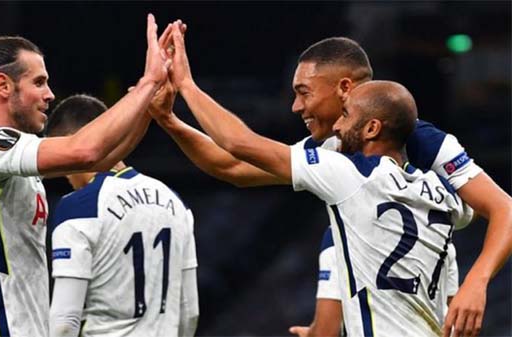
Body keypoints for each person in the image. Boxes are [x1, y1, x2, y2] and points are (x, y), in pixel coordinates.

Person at [152, 25, 512, 337]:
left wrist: (186, 85)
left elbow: (504, 208)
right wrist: (170, 121)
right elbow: (230, 167)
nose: (296, 106)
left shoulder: (401, 150)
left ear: (345, 89)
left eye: (303, 91)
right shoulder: (439, 194)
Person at [0, 14, 172, 336]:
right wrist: (147, 82)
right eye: (39, 82)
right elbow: (84, 150)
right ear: (4, 86)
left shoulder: (11, 155)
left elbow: (101, 158)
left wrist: (149, 105)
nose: (50, 94)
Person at [45, 94, 198, 337]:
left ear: (72, 142)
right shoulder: (175, 202)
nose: (64, 173)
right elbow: (189, 312)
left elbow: (65, 321)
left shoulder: (79, 207)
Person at [288, 227, 460, 337]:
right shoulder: (439, 233)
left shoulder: (342, 232)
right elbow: (457, 322)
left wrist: (312, 333)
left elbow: (326, 332)